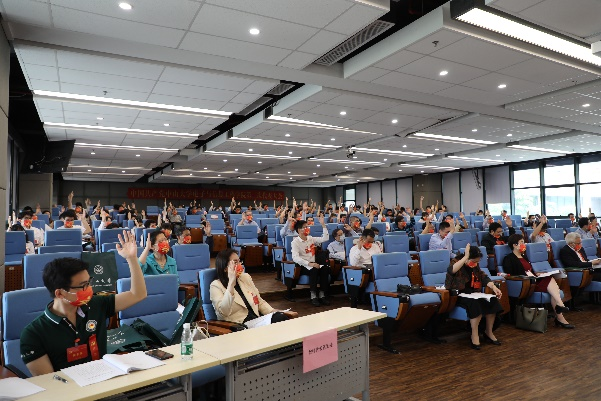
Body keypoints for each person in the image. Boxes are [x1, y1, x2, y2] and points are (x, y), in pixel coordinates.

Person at [20, 231, 147, 376]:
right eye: (83, 286)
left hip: (105, 380)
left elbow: (138, 294)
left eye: (89, 282)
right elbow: (50, 382)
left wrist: (132, 259)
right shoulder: (33, 334)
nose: (89, 289)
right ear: (60, 293)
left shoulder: (96, 305)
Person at [210, 249, 297, 325]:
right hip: (239, 325)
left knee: (280, 317)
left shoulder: (245, 277)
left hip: (256, 319)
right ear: (225, 268)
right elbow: (223, 313)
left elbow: (259, 301)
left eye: (239, 261)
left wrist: (274, 311)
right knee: (279, 320)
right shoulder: (216, 286)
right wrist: (231, 283)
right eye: (235, 262)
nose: (239, 265)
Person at [503, 234, 573, 328]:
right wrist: (529, 276)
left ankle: (561, 316)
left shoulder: (524, 256)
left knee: (551, 284)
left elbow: (529, 270)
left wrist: (537, 273)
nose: (524, 244)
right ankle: (560, 310)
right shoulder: (509, 258)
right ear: (515, 245)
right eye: (522, 242)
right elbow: (512, 274)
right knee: (552, 285)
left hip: (533, 280)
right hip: (526, 284)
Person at [445, 244, 503, 350]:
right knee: (475, 304)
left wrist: (494, 287)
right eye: (474, 261)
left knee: (492, 300)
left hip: (473, 294)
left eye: (477, 262)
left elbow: (483, 277)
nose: (475, 264)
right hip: (458, 294)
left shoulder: (474, 266)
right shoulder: (456, 262)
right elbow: (451, 270)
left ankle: (489, 332)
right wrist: (465, 257)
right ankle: (474, 334)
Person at [290, 217, 330, 306]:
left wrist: (323, 225)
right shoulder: (295, 242)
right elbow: (295, 258)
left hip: (313, 263)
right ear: (299, 230)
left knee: (325, 268)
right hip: (303, 265)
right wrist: (309, 263)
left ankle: (322, 294)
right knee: (314, 269)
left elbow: (325, 238)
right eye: (305, 227)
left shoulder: (310, 238)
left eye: (307, 227)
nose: (307, 228)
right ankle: (313, 295)